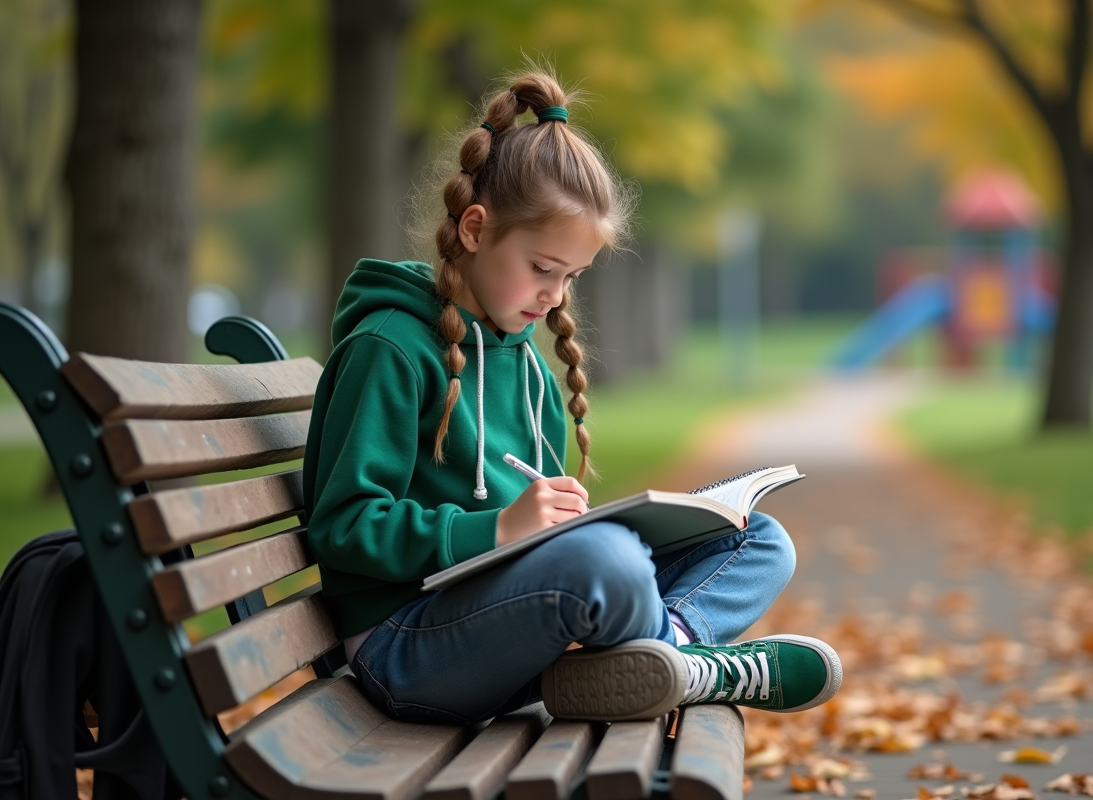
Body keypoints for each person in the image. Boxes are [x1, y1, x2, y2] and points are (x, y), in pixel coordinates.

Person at [303, 70, 842, 725]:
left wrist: (556, 525)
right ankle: (688, 662)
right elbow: (343, 527)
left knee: (756, 538)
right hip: (403, 650)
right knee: (603, 562)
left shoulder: (523, 361)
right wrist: (498, 529)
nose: (555, 296)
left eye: (571, 277)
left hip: (506, 626)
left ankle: (655, 658)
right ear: (475, 229)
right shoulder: (389, 349)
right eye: (541, 268)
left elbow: (532, 545)